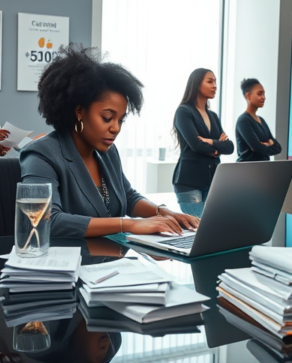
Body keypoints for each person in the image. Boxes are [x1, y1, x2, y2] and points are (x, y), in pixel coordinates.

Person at [20, 44, 199, 238]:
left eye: (121, 120)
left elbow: (128, 197)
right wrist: (128, 225)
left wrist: (165, 213)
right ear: (79, 111)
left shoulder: (108, 152)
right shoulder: (41, 155)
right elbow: (46, 221)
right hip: (69, 261)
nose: (116, 128)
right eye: (107, 118)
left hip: (111, 260)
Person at [172, 68, 233, 217]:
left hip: (213, 181)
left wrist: (210, 141)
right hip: (189, 181)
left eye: (216, 82)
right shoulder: (184, 112)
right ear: (196, 84)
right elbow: (196, 144)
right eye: (210, 81)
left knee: (210, 229)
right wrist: (218, 146)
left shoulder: (213, 116)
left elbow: (230, 147)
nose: (215, 86)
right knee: (197, 230)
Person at [235, 78, 281, 162]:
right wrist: (269, 144)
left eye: (264, 94)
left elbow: (278, 148)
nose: (264, 97)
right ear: (248, 96)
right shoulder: (243, 120)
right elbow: (257, 148)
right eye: (259, 94)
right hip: (247, 170)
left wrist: (263, 146)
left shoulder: (262, 120)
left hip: (263, 169)